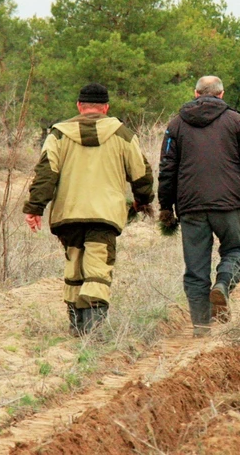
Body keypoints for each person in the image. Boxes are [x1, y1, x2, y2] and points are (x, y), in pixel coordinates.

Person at [23, 83, 155, 336]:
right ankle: (93, 331)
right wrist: (143, 200)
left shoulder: (58, 134)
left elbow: (45, 174)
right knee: (97, 269)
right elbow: (141, 173)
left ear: (79, 106)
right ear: (106, 107)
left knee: (75, 265)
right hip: (105, 215)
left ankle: (76, 327)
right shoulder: (122, 134)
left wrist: (35, 207)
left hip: (68, 214)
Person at [158, 76, 240, 337]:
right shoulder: (235, 121)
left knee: (196, 269)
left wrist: (166, 207)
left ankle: (201, 328)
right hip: (229, 203)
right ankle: (223, 283)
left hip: (190, 206)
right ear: (221, 94)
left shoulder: (176, 124)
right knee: (235, 251)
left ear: (196, 93)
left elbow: (166, 169)